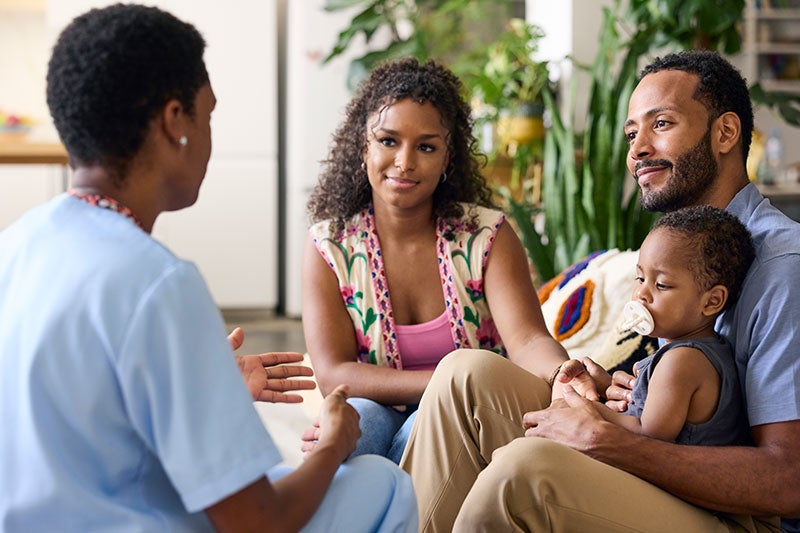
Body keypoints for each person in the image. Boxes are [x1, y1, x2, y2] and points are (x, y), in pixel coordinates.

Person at [0, 5, 417, 532]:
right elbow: (256, 523)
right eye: (209, 114)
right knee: (382, 484)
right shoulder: (158, 283)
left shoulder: (13, 247)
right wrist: (333, 445)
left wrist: (200, 386)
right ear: (176, 121)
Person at [400, 50, 800, 532]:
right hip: (674, 475)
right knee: (466, 374)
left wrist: (603, 439)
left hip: (744, 518)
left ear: (725, 133)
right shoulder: (684, 249)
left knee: (524, 473)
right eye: (632, 133)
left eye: (662, 124)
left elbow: (788, 482)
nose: (637, 150)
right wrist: (607, 386)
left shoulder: (782, 267)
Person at [301, 58, 592, 464]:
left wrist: (562, 373)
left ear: (448, 156)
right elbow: (333, 373)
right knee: (357, 422)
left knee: (427, 425)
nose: (404, 161)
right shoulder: (330, 246)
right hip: (379, 403)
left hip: (464, 412)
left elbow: (526, 340)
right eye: (388, 140)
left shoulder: (487, 236)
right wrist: (443, 382)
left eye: (425, 146)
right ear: (362, 145)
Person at [587, 205, 754, 445]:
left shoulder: (683, 361)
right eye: (640, 278)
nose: (641, 294)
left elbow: (648, 436)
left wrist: (585, 408)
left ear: (712, 301)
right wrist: (603, 388)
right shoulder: (701, 352)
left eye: (662, 285)